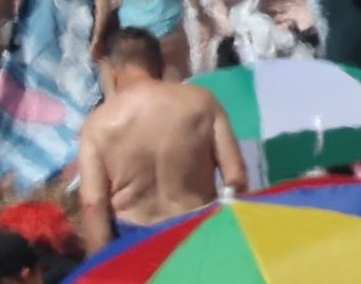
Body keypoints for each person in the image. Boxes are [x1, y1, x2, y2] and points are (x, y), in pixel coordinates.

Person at [68, 28, 241, 257]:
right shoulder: (202, 102)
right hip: (199, 234)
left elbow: (93, 204)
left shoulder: (98, 125)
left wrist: (100, 265)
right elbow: (236, 176)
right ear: (160, 65)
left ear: (114, 72)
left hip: (135, 243)